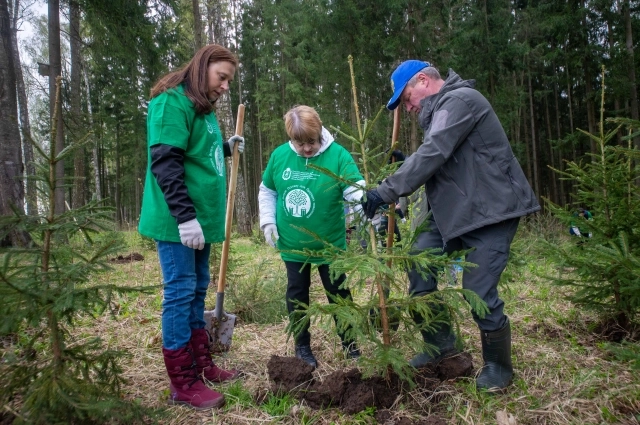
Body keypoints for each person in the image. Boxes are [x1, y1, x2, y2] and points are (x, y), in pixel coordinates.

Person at [361, 60, 540, 392]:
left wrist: (387, 189)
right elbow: (445, 156)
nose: (408, 106)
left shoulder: (460, 100)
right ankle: (441, 346)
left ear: (424, 81)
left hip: (491, 210)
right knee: (418, 261)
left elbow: (436, 150)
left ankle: (498, 365)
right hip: (453, 210)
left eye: (407, 97)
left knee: (478, 290)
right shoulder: (443, 111)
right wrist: (407, 164)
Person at [138, 44, 245, 410]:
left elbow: (197, 152)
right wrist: (184, 217)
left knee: (197, 290)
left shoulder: (201, 108)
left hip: (200, 219)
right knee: (181, 292)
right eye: (222, 77)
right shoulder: (171, 103)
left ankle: (202, 364)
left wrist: (227, 148)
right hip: (177, 221)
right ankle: (182, 381)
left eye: (229, 80)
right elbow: (166, 163)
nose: (225, 86)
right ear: (202, 68)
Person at [258, 105, 365, 368]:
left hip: (330, 243)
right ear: (290, 138)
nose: (307, 148)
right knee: (297, 293)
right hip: (293, 244)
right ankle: (302, 347)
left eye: (312, 141)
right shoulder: (280, 156)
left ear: (320, 133)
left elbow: (355, 188)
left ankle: (350, 344)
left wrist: (366, 204)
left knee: (338, 292)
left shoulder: (337, 155)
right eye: (300, 142)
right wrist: (268, 221)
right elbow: (267, 190)